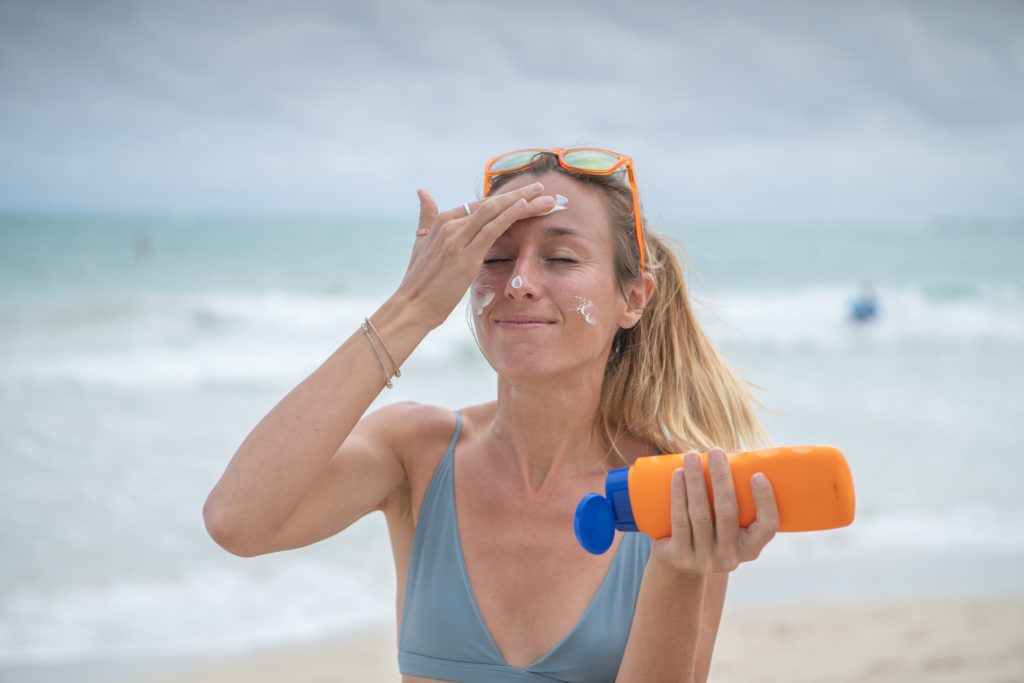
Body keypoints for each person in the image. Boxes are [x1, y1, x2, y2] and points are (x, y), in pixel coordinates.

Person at [203, 148, 780, 683]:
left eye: (560, 257)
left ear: (632, 298)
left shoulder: (675, 490)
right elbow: (237, 521)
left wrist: (681, 571)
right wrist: (411, 309)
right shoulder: (417, 453)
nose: (520, 283)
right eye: (496, 259)